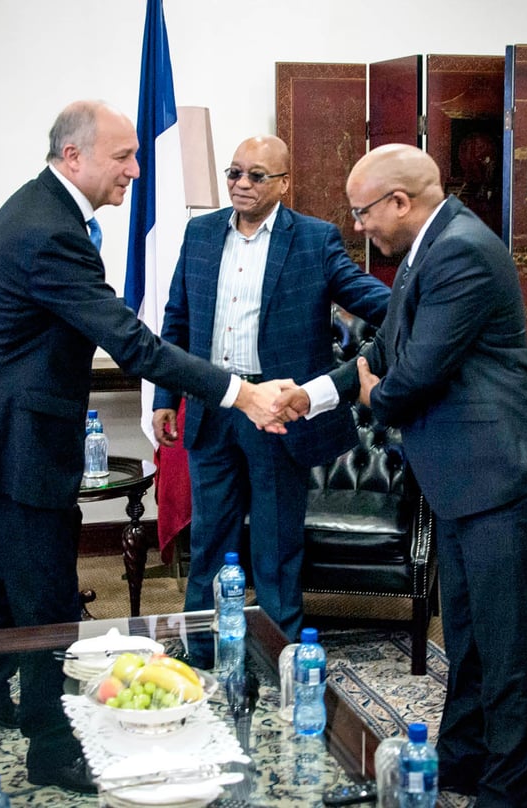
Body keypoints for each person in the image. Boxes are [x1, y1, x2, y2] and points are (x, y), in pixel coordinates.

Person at [0, 101, 289, 793]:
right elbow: (131, 341)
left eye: (138, 155)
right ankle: (52, 748)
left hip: (8, 430)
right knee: (44, 597)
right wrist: (237, 391)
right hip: (22, 439)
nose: (137, 170)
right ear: (73, 156)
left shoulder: (45, 211)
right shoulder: (49, 229)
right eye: (123, 156)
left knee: (2, 578)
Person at [271, 144, 527, 807]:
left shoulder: (462, 251)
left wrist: (372, 391)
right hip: (466, 476)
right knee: (466, 636)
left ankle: (506, 792)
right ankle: (462, 765)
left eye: (361, 213)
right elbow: (378, 353)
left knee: (503, 648)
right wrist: (312, 395)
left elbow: (409, 378)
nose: (358, 227)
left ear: (399, 202)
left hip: (508, 473)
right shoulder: (424, 252)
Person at [151, 135, 391, 643]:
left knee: (276, 542)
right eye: (234, 173)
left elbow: (367, 296)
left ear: (284, 183)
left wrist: (424, 304)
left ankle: (278, 647)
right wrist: (165, 399)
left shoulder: (313, 239)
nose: (240, 184)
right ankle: (200, 645)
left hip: (276, 410)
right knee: (208, 537)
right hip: (211, 404)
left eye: (255, 176)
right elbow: (177, 320)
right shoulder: (199, 234)